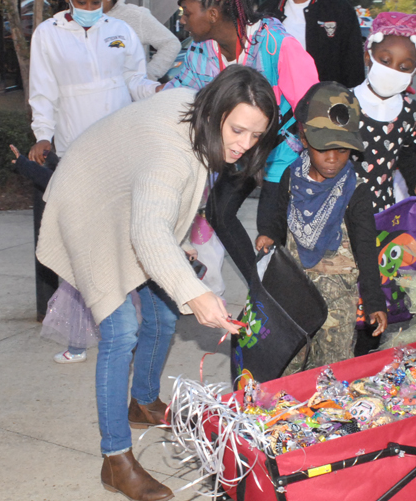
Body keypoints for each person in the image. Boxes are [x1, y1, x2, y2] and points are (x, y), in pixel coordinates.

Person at [36, 65, 279, 500]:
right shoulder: (172, 151)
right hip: (88, 204)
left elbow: (157, 205)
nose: (244, 145)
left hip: (126, 197)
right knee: (120, 332)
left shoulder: (197, 112)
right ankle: (116, 459)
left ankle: (143, 401)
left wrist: (176, 244)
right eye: (238, 130)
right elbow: (148, 229)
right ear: (216, 113)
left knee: (163, 316)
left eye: (255, 136)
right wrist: (197, 294)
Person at [28, 0, 159, 362]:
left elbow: (135, 79)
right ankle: (78, 338)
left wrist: (156, 89)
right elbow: (42, 91)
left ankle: (127, 329)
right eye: (81, 1)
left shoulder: (121, 31)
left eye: (96, 1)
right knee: (82, 242)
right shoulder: (48, 34)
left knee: (123, 237)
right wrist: (43, 135)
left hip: (120, 145)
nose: (89, 8)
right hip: (76, 150)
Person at [163, 0, 319, 285]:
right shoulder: (201, 50)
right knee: (219, 212)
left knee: (269, 231)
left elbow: (311, 106)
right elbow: (178, 92)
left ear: (212, 14)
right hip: (241, 149)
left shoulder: (277, 44)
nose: (183, 20)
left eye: (187, 13)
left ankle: (278, 294)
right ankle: (258, 288)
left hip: (282, 151)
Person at [255, 82, 387, 370]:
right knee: (288, 365)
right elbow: (278, 217)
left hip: (337, 304)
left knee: (332, 371)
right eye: (324, 149)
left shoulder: (355, 191)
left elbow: (366, 247)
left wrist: (374, 300)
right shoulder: (291, 177)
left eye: (342, 150)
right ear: (304, 138)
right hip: (292, 293)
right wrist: (269, 234)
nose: (333, 159)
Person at [353, 11, 416, 214]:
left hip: (383, 210)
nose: (393, 70)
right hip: (343, 210)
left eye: (404, 67)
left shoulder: (409, 111)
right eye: (386, 61)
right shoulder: (343, 102)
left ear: (414, 71)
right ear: (368, 57)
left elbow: (405, 153)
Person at [260, 0, 365, 88]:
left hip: (324, 97)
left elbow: (353, 64)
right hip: (276, 95)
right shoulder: (269, 9)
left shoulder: (339, 10)